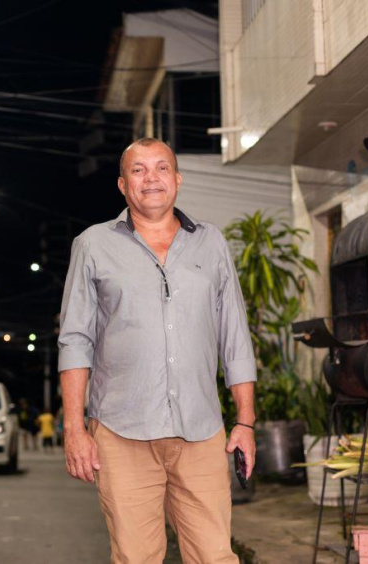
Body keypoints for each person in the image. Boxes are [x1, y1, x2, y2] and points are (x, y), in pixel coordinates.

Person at [58, 138, 256, 563]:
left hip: (201, 432)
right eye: (139, 170)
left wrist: (246, 422)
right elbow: (76, 341)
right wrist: (75, 429)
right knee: (136, 557)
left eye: (162, 168)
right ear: (122, 184)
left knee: (214, 556)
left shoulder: (211, 243)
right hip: (121, 431)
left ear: (178, 180)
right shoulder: (93, 245)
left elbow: (235, 336)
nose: (151, 178)